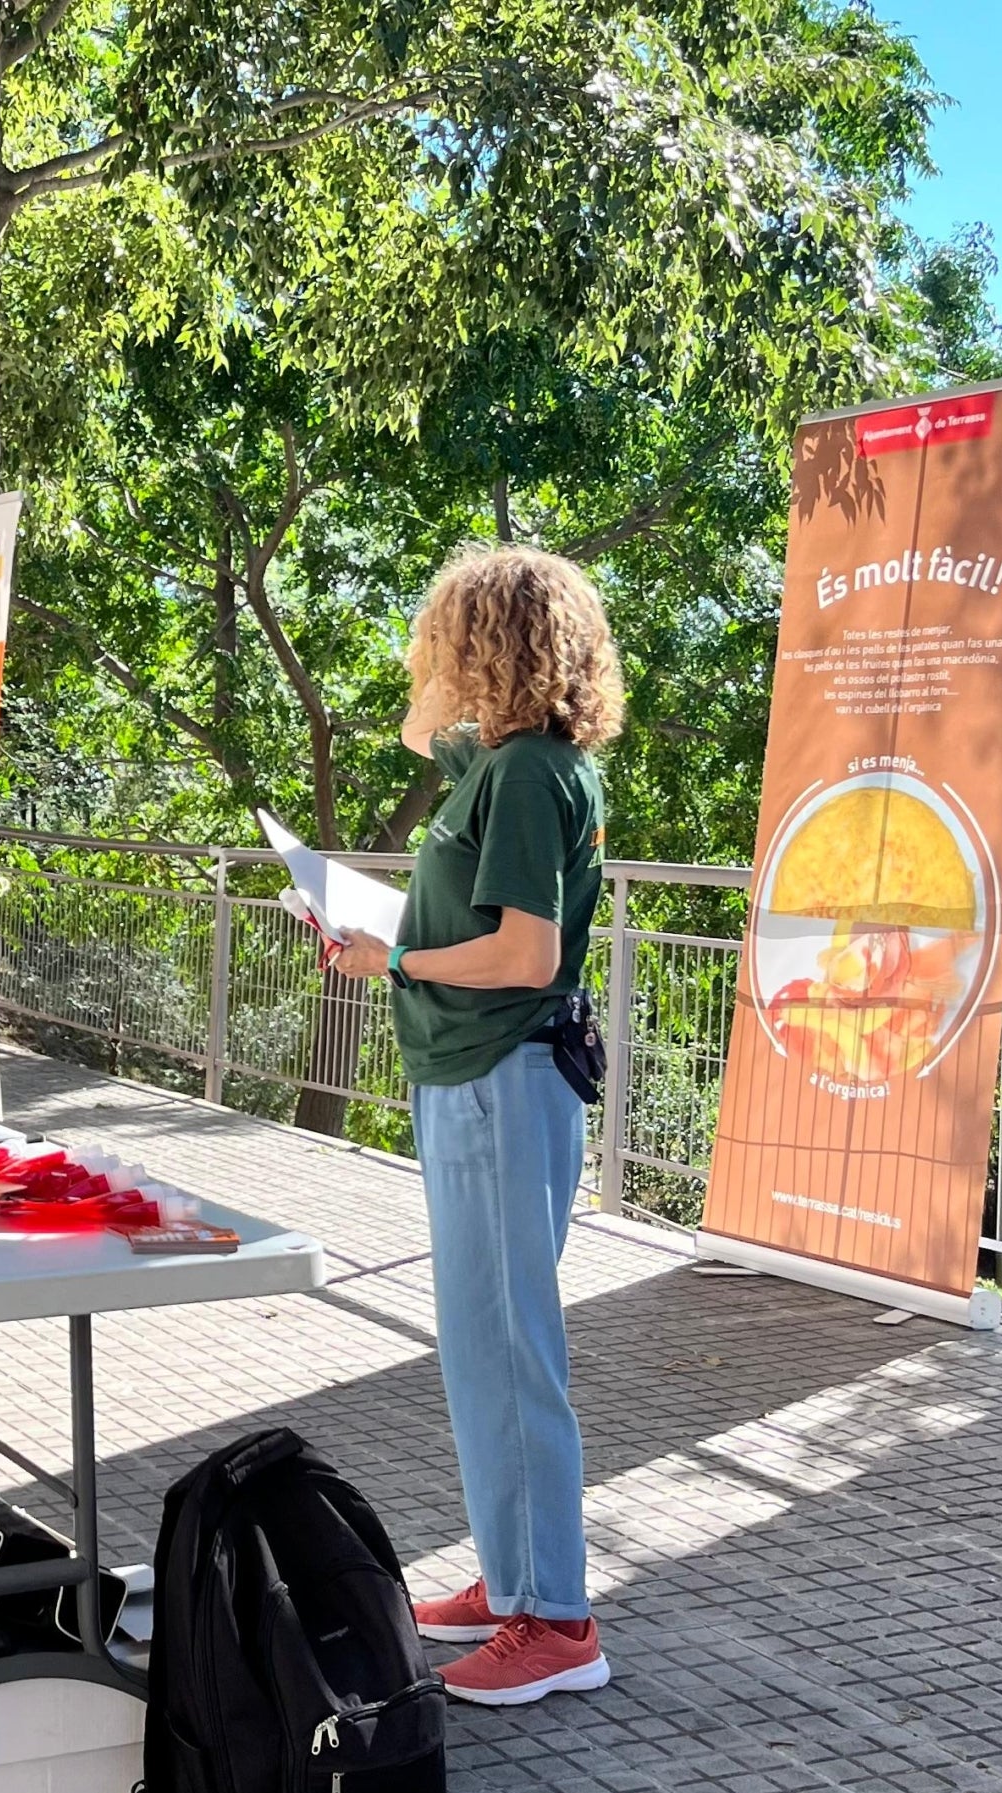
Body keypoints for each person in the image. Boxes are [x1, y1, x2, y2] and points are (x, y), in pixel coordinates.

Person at [332, 545, 622, 1710]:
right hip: (480, 1075)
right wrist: (445, 686)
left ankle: (556, 1619)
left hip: (503, 1075)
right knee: (481, 1346)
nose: (424, 657)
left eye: (441, 636)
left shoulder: (527, 777)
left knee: (507, 1349)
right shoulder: (501, 762)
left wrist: (390, 955)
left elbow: (524, 953)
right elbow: (416, 733)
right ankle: (512, 1584)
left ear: (485, 647)